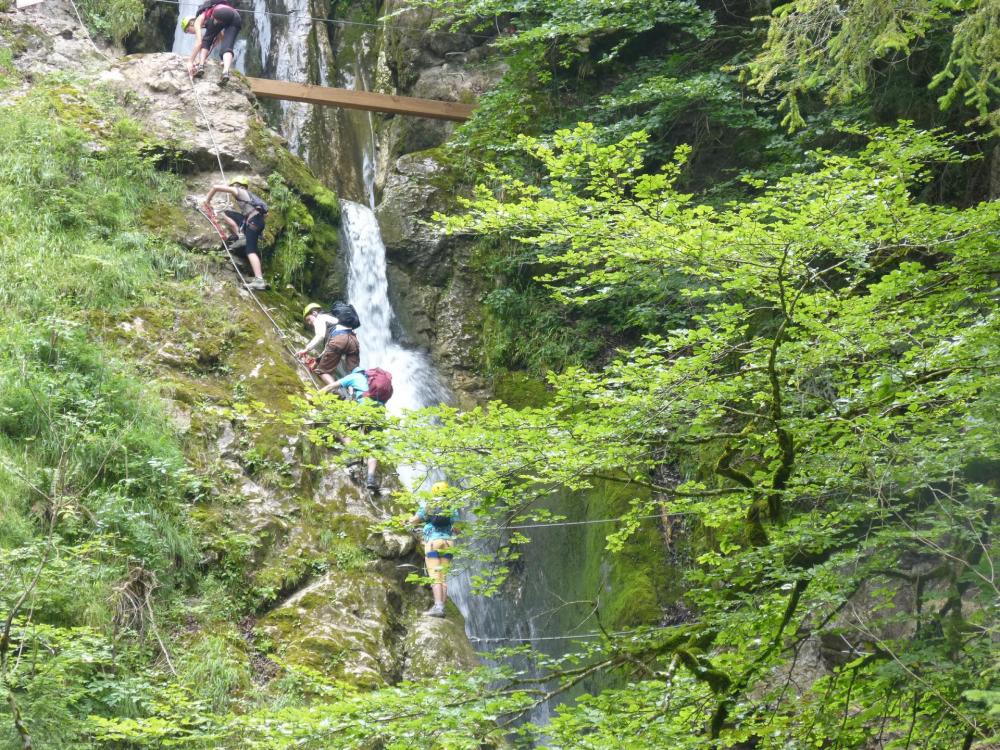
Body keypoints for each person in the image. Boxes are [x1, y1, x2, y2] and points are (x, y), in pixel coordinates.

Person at [320, 366, 389, 491]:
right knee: (375, 446)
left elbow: (330, 386)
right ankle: (371, 478)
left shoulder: (354, 377)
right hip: (379, 413)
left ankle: (353, 454)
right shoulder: (377, 385)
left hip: (362, 407)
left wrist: (315, 397)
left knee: (341, 427)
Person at [204, 177, 267, 291]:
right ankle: (241, 236)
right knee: (227, 213)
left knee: (250, 250)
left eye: (233, 185)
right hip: (254, 221)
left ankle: (259, 280)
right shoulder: (248, 195)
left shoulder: (238, 191)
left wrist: (207, 201)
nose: (232, 189)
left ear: (238, 186)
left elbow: (215, 187)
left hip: (253, 222)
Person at [408, 481, 459, 618]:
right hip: (448, 543)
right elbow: (458, 529)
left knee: (435, 575)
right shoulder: (452, 507)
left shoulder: (427, 504)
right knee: (443, 576)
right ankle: (441, 606)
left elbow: (415, 520)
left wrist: (407, 521)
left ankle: (438, 607)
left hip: (432, 543)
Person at [297, 304, 360, 388]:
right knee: (354, 373)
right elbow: (327, 349)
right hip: (353, 340)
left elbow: (320, 335)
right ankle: (360, 395)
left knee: (322, 372)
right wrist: (317, 361)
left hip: (339, 340)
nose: (309, 323)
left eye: (308, 319)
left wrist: (306, 350)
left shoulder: (320, 317)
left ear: (314, 313)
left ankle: (337, 391)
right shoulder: (334, 318)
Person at [182, 1, 242, 86]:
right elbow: (222, 38)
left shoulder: (198, 20)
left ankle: (201, 66)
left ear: (191, 23)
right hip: (236, 17)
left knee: (206, 40)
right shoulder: (211, 22)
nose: (190, 33)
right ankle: (225, 72)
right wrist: (223, 59)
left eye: (188, 30)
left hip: (219, 12)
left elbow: (199, 43)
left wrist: (190, 61)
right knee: (227, 47)